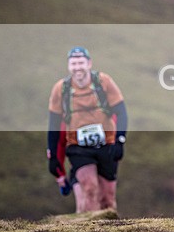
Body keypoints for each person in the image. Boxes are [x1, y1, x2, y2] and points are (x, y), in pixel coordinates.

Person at [47, 47, 128, 213]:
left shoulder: (104, 82)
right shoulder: (60, 89)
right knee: (90, 189)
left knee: (108, 198)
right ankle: (91, 228)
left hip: (106, 145)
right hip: (78, 147)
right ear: (68, 66)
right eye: (73, 63)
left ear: (89, 64)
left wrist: (120, 141)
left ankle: (109, 228)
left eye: (81, 63)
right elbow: (54, 125)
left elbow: (122, 113)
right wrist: (54, 157)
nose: (77, 67)